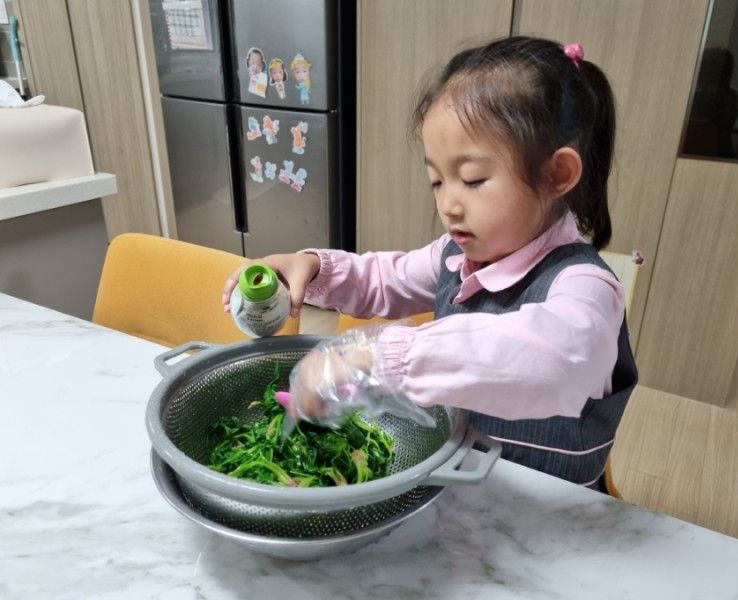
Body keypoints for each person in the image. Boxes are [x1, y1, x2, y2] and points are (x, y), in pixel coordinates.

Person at [222, 36, 638, 492]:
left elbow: (555, 360)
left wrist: (379, 359)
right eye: (437, 182)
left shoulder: (586, 286)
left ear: (557, 174)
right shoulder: (454, 255)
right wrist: (315, 268)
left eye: (473, 180)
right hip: (459, 488)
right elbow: (384, 280)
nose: (449, 206)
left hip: (549, 514)